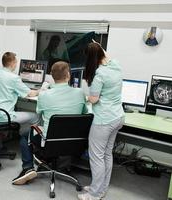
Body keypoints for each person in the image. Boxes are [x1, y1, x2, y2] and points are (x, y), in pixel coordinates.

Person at [12, 61, 88, 185]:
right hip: (73, 142)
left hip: (49, 142)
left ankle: (28, 168)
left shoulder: (44, 95)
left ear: (52, 76)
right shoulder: (80, 93)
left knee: (25, 135)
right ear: (68, 75)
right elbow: (84, 112)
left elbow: (39, 111)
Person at [78, 41, 125, 200]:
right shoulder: (116, 65)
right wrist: (97, 46)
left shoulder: (99, 74)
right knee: (106, 154)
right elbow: (106, 56)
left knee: (96, 156)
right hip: (118, 117)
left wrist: (88, 98)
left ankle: (94, 194)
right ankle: (101, 189)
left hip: (104, 120)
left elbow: (93, 99)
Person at [0, 52, 40, 139]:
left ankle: (3, 136)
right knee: (35, 116)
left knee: (18, 110)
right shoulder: (14, 78)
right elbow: (30, 93)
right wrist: (41, 90)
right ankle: (24, 140)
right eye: (16, 62)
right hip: (4, 116)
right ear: (12, 63)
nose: (16, 64)